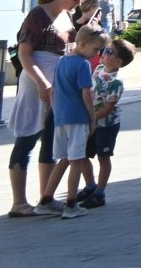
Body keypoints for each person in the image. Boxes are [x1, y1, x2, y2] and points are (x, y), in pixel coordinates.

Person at [7, 0, 87, 217]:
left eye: (79, 0)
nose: (77, 4)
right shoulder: (38, 15)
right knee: (27, 135)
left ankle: (46, 197)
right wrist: (42, 82)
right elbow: (24, 54)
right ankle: (19, 202)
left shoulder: (67, 16)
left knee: (52, 139)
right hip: (37, 82)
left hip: (59, 82)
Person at [45, 26, 106, 220]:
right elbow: (86, 93)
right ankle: (71, 204)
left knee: (63, 159)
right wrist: (92, 118)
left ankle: (46, 199)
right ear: (83, 44)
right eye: (96, 49)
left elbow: (53, 90)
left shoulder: (62, 61)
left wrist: (56, 112)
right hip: (78, 117)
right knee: (77, 160)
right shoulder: (82, 65)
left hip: (61, 117)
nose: (97, 54)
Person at [76, 39, 133, 209]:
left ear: (119, 62)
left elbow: (108, 108)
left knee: (103, 156)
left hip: (106, 125)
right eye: (105, 49)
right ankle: (90, 185)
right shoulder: (99, 69)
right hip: (92, 121)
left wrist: (92, 118)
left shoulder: (116, 82)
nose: (103, 53)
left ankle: (100, 192)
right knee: (83, 154)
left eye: (109, 52)